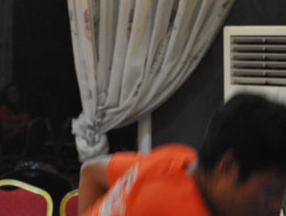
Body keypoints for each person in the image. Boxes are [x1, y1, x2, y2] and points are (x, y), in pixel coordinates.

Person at [78, 92, 286, 216]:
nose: (276, 208)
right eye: (270, 192)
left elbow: (91, 170)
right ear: (227, 167)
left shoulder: (176, 159)